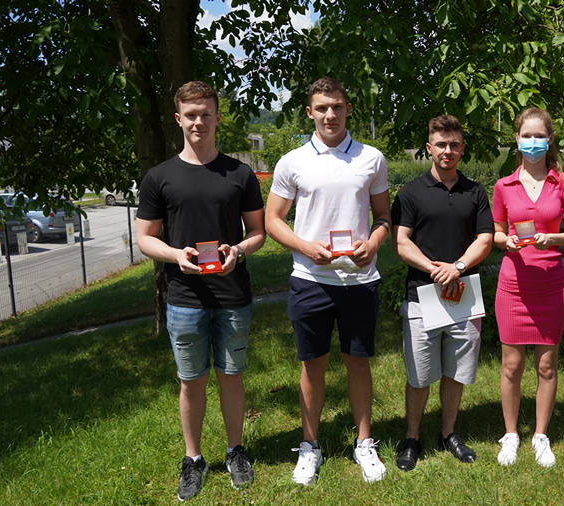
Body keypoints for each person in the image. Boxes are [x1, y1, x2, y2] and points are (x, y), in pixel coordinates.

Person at [135, 81, 266, 501]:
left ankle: (235, 451)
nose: (198, 122)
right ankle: (193, 459)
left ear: (217, 118)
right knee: (191, 381)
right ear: (178, 119)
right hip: (185, 299)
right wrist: (175, 255)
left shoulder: (240, 174)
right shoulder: (159, 177)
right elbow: (144, 238)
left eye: (206, 114)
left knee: (232, 376)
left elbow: (258, 232)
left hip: (232, 295)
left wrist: (238, 251)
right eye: (191, 115)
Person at [265, 77, 391, 485]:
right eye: (322, 108)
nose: (330, 114)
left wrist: (374, 242)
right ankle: (310, 446)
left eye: (337, 106)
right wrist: (304, 246)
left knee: (358, 362)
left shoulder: (371, 158)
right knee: (312, 365)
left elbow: (384, 217)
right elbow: (272, 220)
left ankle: (364, 443)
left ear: (348, 109)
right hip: (311, 279)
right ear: (310, 113)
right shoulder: (292, 161)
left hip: (359, 280)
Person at [391, 115, 493, 471]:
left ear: (462, 149)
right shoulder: (410, 193)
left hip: (464, 293)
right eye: (441, 144)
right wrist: (434, 268)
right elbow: (400, 242)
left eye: (454, 145)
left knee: (456, 371)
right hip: (422, 295)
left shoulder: (475, 192)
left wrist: (458, 267)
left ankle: (448, 433)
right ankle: (412, 437)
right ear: (429, 148)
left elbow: (485, 238)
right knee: (419, 374)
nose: (447, 151)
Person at [492, 107, 564, 468]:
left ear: (550, 139)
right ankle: (511, 434)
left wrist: (553, 238)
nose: (533, 142)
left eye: (539, 136)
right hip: (513, 285)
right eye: (527, 136)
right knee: (511, 366)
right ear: (517, 139)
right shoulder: (503, 186)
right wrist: (506, 241)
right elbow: (496, 232)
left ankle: (541, 436)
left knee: (547, 365)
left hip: (550, 284)